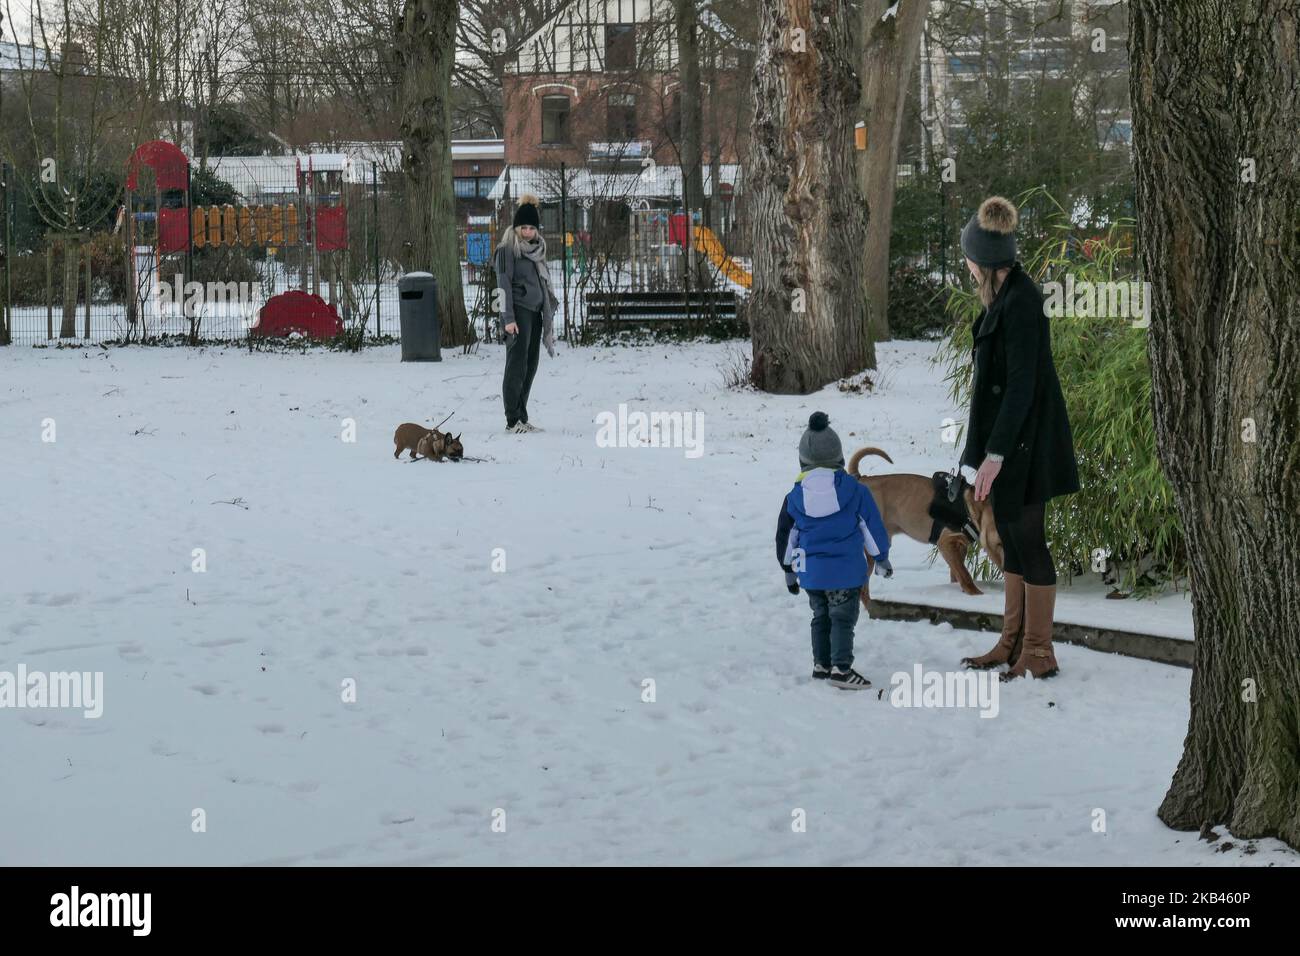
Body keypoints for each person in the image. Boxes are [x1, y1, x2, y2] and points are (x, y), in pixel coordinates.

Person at [956, 196, 1080, 680]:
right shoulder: (1002, 298)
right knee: (1010, 535)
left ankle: (1039, 651)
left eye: (968, 258)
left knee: (1029, 540)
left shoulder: (1023, 300)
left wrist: (994, 456)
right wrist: (980, 456)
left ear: (984, 263)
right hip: (1010, 446)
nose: (965, 266)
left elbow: (1022, 387)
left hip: (1028, 445)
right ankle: (1012, 643)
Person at [776, 412, 892, 691]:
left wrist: (789, 571)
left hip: (812, 575)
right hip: (846, 574)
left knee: (820, 616)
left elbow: (786, 538)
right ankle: (841, 669)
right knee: (842, 619)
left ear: (803, 460)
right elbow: (871, 528)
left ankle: (821, 665)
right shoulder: (856, 491)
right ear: (839, 458)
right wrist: (881, 558)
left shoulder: (794, 497)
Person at [494, 193, 558, 433]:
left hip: (535, 313)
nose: (528, 232)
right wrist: (507, 320)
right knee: (516, 365)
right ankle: (512, 419)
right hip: (518, 313)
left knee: (530, 365)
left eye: (532, 228)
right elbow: (502, 286)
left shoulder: (537, 250)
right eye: (524, 227)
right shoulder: (507, 250)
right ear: (516, 226)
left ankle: (522, 415)